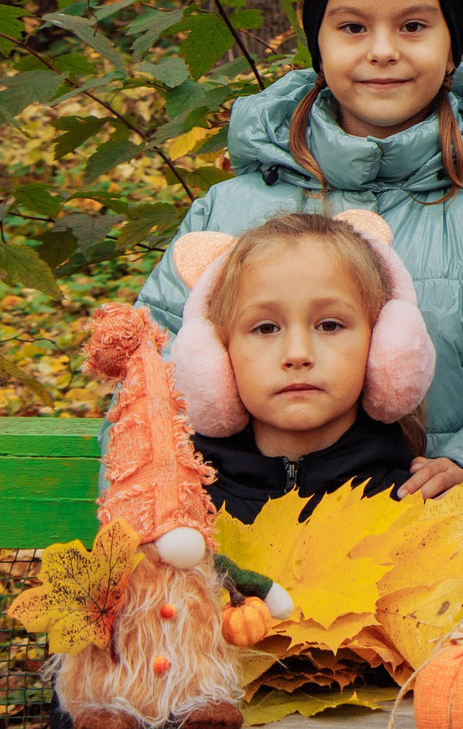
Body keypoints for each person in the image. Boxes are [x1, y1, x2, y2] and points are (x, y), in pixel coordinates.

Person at [138, 0, 463, 489]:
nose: (383, 51)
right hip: (248, 534)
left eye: (413, 25)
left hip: (442, 529)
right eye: (353, 28)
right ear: (319, 43)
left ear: (452, 47)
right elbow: (147, 370)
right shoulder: (228, 212)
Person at [166, 210, 433, 521]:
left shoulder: (418, 505)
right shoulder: (181, 515)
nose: (297, 354)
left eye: (329, 325)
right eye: (266, 328)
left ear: (382, 344)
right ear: (218, 355)